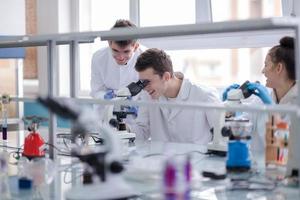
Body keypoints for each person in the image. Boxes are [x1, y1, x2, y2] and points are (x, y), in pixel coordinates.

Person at [129, 48, 222, 144]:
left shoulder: (204, 95)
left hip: (198, 158)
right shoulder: (149, 95)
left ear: (166, 77)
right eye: (142, 83)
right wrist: (125, 130)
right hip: (160, 158)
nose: (144, 88)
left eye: (147, 82)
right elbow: (142, 131)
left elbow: (222, 137)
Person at [223, 36, 297, 150]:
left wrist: (271, 107)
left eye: (266, 65)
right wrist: (229, 105)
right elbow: (239, 130)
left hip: (284, 167)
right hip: (258, 166)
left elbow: (284, 147)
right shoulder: (260, 99)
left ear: (279, 68)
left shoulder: (296, 105)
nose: (262, 71)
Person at [90, 19, 146, 120]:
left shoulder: (146, 58)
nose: (120, 57)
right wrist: (105, 97)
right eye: (115, 50)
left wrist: (135, 103)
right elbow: (96, 91)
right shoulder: (98, 58)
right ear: (109, 43)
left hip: (135, 118)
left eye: (126, 51)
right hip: (105, 115)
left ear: (136, 46)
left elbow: (149, 93)